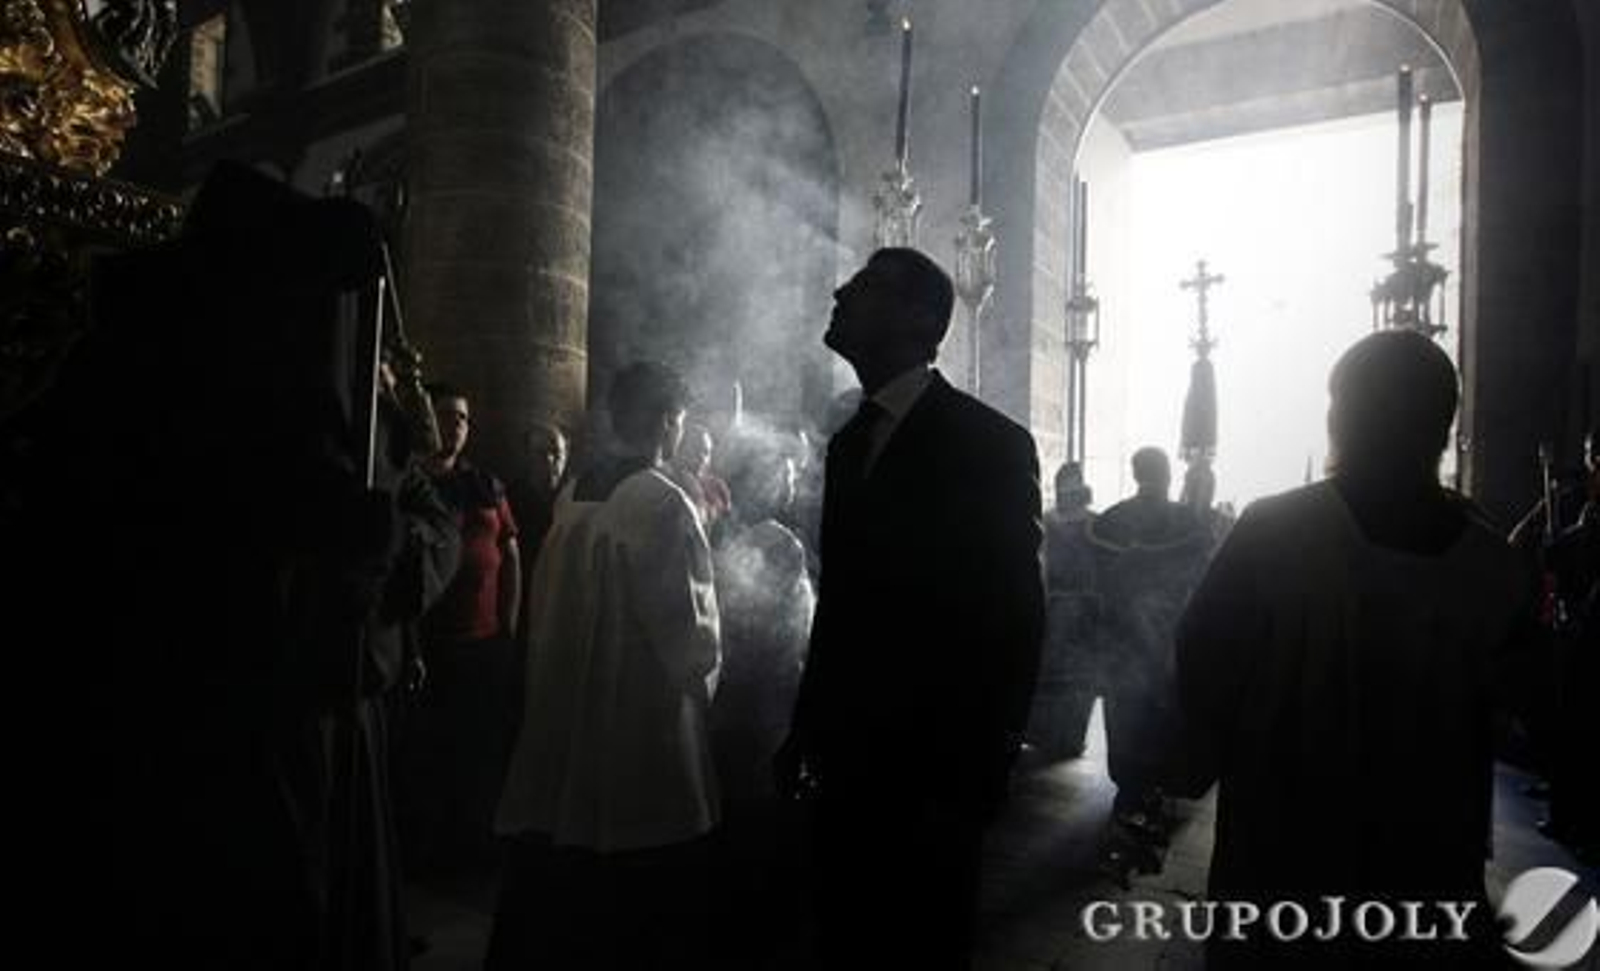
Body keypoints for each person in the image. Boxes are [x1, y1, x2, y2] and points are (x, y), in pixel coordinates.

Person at [1175, 330, 1537, 969]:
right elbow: (1526, 703)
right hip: (1426, 863)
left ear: (1344, 417)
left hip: (1281, 857)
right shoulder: (1496, 566)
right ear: (1443, 427)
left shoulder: (1273, 531)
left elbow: (1202, 665)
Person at [775, 247, 1045, 969]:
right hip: (848, 755)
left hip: (935, 766)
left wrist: (986, 768)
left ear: (920, 318)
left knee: (920, 940)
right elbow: (843, 601)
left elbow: (1015, 614)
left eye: (864, 285)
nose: (839, 291)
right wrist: (806, 727)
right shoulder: (846, 444)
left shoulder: (989, 444)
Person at [487, 361, 721, 971]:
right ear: (669, 422)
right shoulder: (664, 501)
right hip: (641, 726)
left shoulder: (576, 491)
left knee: (569, 866)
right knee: (639, 882)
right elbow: (691, 638)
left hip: (567, 708)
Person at [400, 382, 522, 873]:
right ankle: (427, 853)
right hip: (431, 644)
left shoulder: (486, 485)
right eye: (447, 416)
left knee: (478, 749)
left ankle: (471, 849)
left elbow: (511, 552)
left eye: (464, 419)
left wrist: (508, 627)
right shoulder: (410, 483)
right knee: (429, 753)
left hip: (484, 643)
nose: (455, 426)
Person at [1090, 446, 1209, 867]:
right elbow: (1202, 575)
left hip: (1122, 640)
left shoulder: (1110, 519)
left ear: (1135, 472)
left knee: (1123, 717)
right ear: (1166, 474)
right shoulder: (1189, 522)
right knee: (1161, 718)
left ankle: (1128, 794)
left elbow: (1099, 577)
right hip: (1168, 639)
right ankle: (1151, 797)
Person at [1028, 461, 1103, 760]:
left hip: (1081, 604)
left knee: (1077, 677)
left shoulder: (1092, 521)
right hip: (1059, 604)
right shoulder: (1048, 519)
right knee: (1056, 675)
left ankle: (1069, 738)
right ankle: (1050, 735)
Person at [671, 420, 733, 539]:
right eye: (694, 449)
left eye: (706, 452)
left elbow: (726, 531)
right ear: (679, 450)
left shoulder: (718, 486)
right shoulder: (667, 482)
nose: (701, 457)